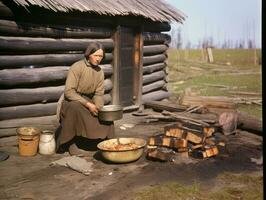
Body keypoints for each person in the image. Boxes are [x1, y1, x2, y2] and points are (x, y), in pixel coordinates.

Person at [56, 42, 114, 156]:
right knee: (75, 108)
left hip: (89, 100)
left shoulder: (100, 72)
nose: (98, 59)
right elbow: (69, 92)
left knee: (105, 116)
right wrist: (88, 105)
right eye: (96, 55)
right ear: (88, 54)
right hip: (72, 99)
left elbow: (98, 94)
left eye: (101, 56)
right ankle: (70, 143)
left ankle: (106, 142)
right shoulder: (77, 67)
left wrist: (99, 108)